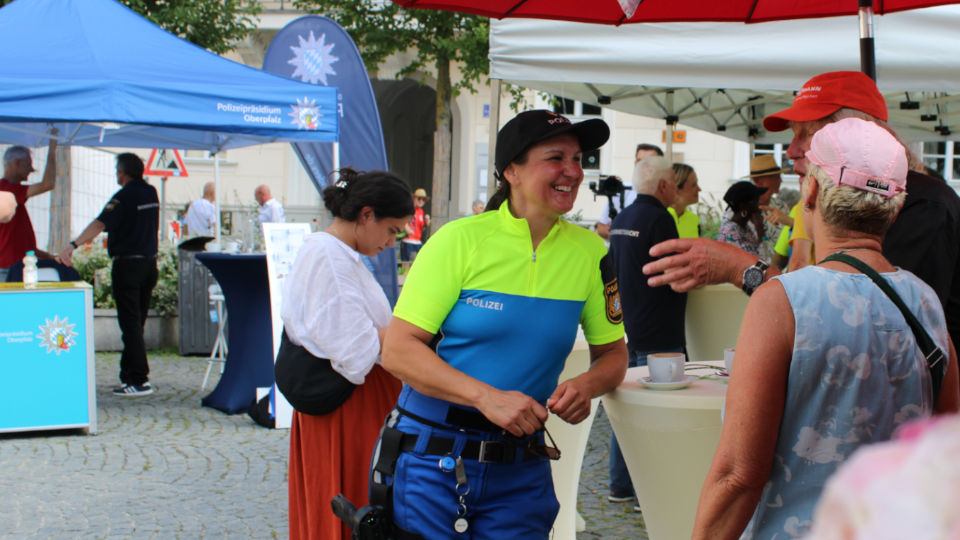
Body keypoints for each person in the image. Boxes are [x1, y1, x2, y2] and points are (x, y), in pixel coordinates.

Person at [692, 117, 959, 540]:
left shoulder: (782, 301)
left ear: (811, 192)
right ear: (895, 205)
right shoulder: (926, 302)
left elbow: (739, 476)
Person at [374, 109, 628, 539]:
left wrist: (585, 387)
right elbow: (398, 349)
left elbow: (614, 354)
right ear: (511, 170)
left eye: (577, 159)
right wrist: (485, 397)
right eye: (556, 158)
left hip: (521, 466)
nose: (572, 172)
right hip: (432, 457)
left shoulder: (591, 252)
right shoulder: (459, 240)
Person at [643, 71, 960, 366]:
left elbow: (867, 327)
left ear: (859, 137)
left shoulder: (922, 204)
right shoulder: (846, 208)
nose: (791, 150)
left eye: (807, 134)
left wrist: (740, 268)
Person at [282, 168, 413, 540]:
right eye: (391, 230)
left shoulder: (335, 253)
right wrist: (410, 333)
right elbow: (356, 350)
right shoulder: (330, 259)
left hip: (352, 402)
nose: (392, 242)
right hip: (349, 407)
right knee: (353, 500)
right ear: (367, 215)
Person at [607, 155, 685, 508]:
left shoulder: (622, 218)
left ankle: (620, 486)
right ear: (664, 185)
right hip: (660, 327)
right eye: (675, 184)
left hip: (630, 325)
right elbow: (674, 272)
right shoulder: (660, 219)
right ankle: (646, 492)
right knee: (658, 411)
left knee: (627, 411)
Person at [57, 153, 160, 397]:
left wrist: (73, 244)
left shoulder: (123, 197)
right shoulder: (151, 193)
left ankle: (138, 379)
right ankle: (129, 375)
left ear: (122, 173)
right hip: (149, 265)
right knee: (138, 323)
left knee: (130, 324)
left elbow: (100, 224)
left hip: (128, 267)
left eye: (117, 171)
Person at [0, 131, 58, 281]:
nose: (32, 170)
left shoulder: (14, 193)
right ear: (17, 163)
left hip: (17, 267)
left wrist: (50, 257)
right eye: (29, 164)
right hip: (7, 269)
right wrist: (52, 147)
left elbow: (24, 245)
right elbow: (48, 184)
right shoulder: (7, 190)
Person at [595, 143, 663, 240]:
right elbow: (601, 227)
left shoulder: (666, 192)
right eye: (639, 161)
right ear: (635, 163)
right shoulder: (621, 190)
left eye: (649, 162)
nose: (643, 165)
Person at [747, 154, 791, 261]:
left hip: (779, 271)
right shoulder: (741, 209)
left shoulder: (781, 206)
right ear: (758, 181)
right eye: (775, 177)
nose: (780, 180)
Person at [717, 181, 767, 258]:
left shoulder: (744, 227)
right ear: (743, 206)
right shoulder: (731, 232)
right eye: (756, 201)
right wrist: (760, 229)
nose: (759, 206)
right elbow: (758, 264)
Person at [667, 163, 701, 238]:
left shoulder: (693, 219)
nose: (699, 189)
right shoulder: (661, 217)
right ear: (676, 187)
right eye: (693, 185)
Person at [400, 187, 430, 262]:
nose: (421, 201)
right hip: (408, 241)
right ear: (414, 198)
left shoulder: (421, 211)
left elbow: (421, 228)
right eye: (419, 198)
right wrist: (407, 228)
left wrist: (426, 223)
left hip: (417, 241)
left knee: (417, 263)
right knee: (406, 264)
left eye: (423, 199)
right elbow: (402, 219)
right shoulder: (409, 208)